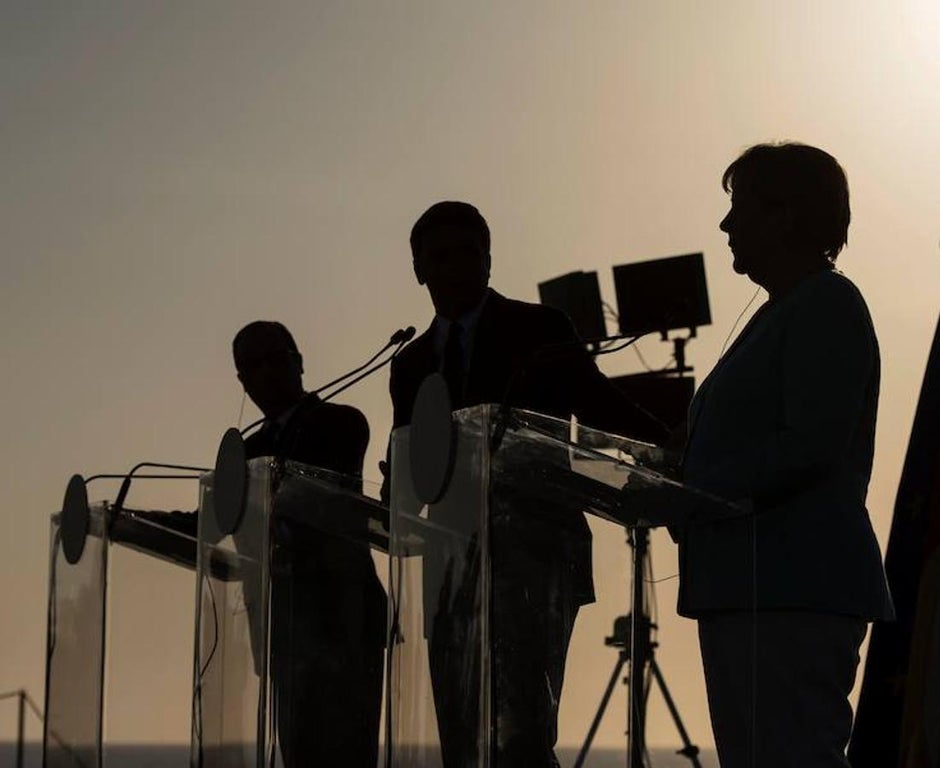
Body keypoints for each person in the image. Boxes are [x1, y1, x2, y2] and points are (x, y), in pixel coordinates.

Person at [387, 201, 668, 767]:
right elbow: (407, 462)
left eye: (469, 253)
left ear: (489, 259)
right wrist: (388, 502)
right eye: (438, 257)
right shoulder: (410, 363)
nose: (455, 267)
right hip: (450, 571)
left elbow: (596, 403)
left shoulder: (538, 329)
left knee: (522, 737)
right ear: (418, 268)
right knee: (463, 743)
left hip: (534, 556)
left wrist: (669, 443)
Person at [676, 144, 895, 767]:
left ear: (786, 216)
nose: (726, 225)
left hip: (793, 587)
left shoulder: (827, 305)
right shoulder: (781, 312)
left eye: (739, 208)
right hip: (746, 588)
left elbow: (809, 447)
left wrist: (693, 489)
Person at [233, 320, 386, 768]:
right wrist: (138, 522)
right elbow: (223, 520)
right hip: (283, 627)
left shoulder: (341, 422)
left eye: (274, 359)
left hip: (344, 621)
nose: (264, 373)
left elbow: (319, 492)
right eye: (251, 367)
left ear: (298, 362)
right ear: (242, 381)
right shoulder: (245, 451)